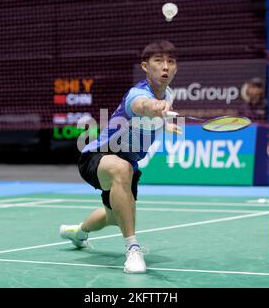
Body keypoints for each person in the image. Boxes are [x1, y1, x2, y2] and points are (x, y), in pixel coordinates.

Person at [59, 40, 181, 274]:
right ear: (145, 66)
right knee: (122, 169)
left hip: (127, 161)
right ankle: (133, 250)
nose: (165, 67)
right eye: (158, 61)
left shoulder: (169, 93)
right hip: (98, 155)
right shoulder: (137, 94)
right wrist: (156, 108)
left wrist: (163, 124)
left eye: (171, 62)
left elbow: (149, 117)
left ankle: (78, 232)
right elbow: (142, 106)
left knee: (114, 217)